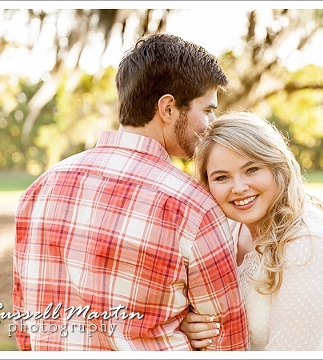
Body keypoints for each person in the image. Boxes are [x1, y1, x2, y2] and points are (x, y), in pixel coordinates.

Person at [13, 33, 249, 350]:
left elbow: (26, 326)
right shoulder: (192, 207)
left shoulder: (39, 190)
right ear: (168, 108)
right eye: (207, 110)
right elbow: (226, 340)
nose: (211, 124)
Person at [179, 111, 323, 351]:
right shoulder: (228, 230)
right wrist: (191, 327)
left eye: (252, 169)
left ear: (277, 166)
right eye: (222, 177)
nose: (239, 188)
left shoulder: (310, 245)